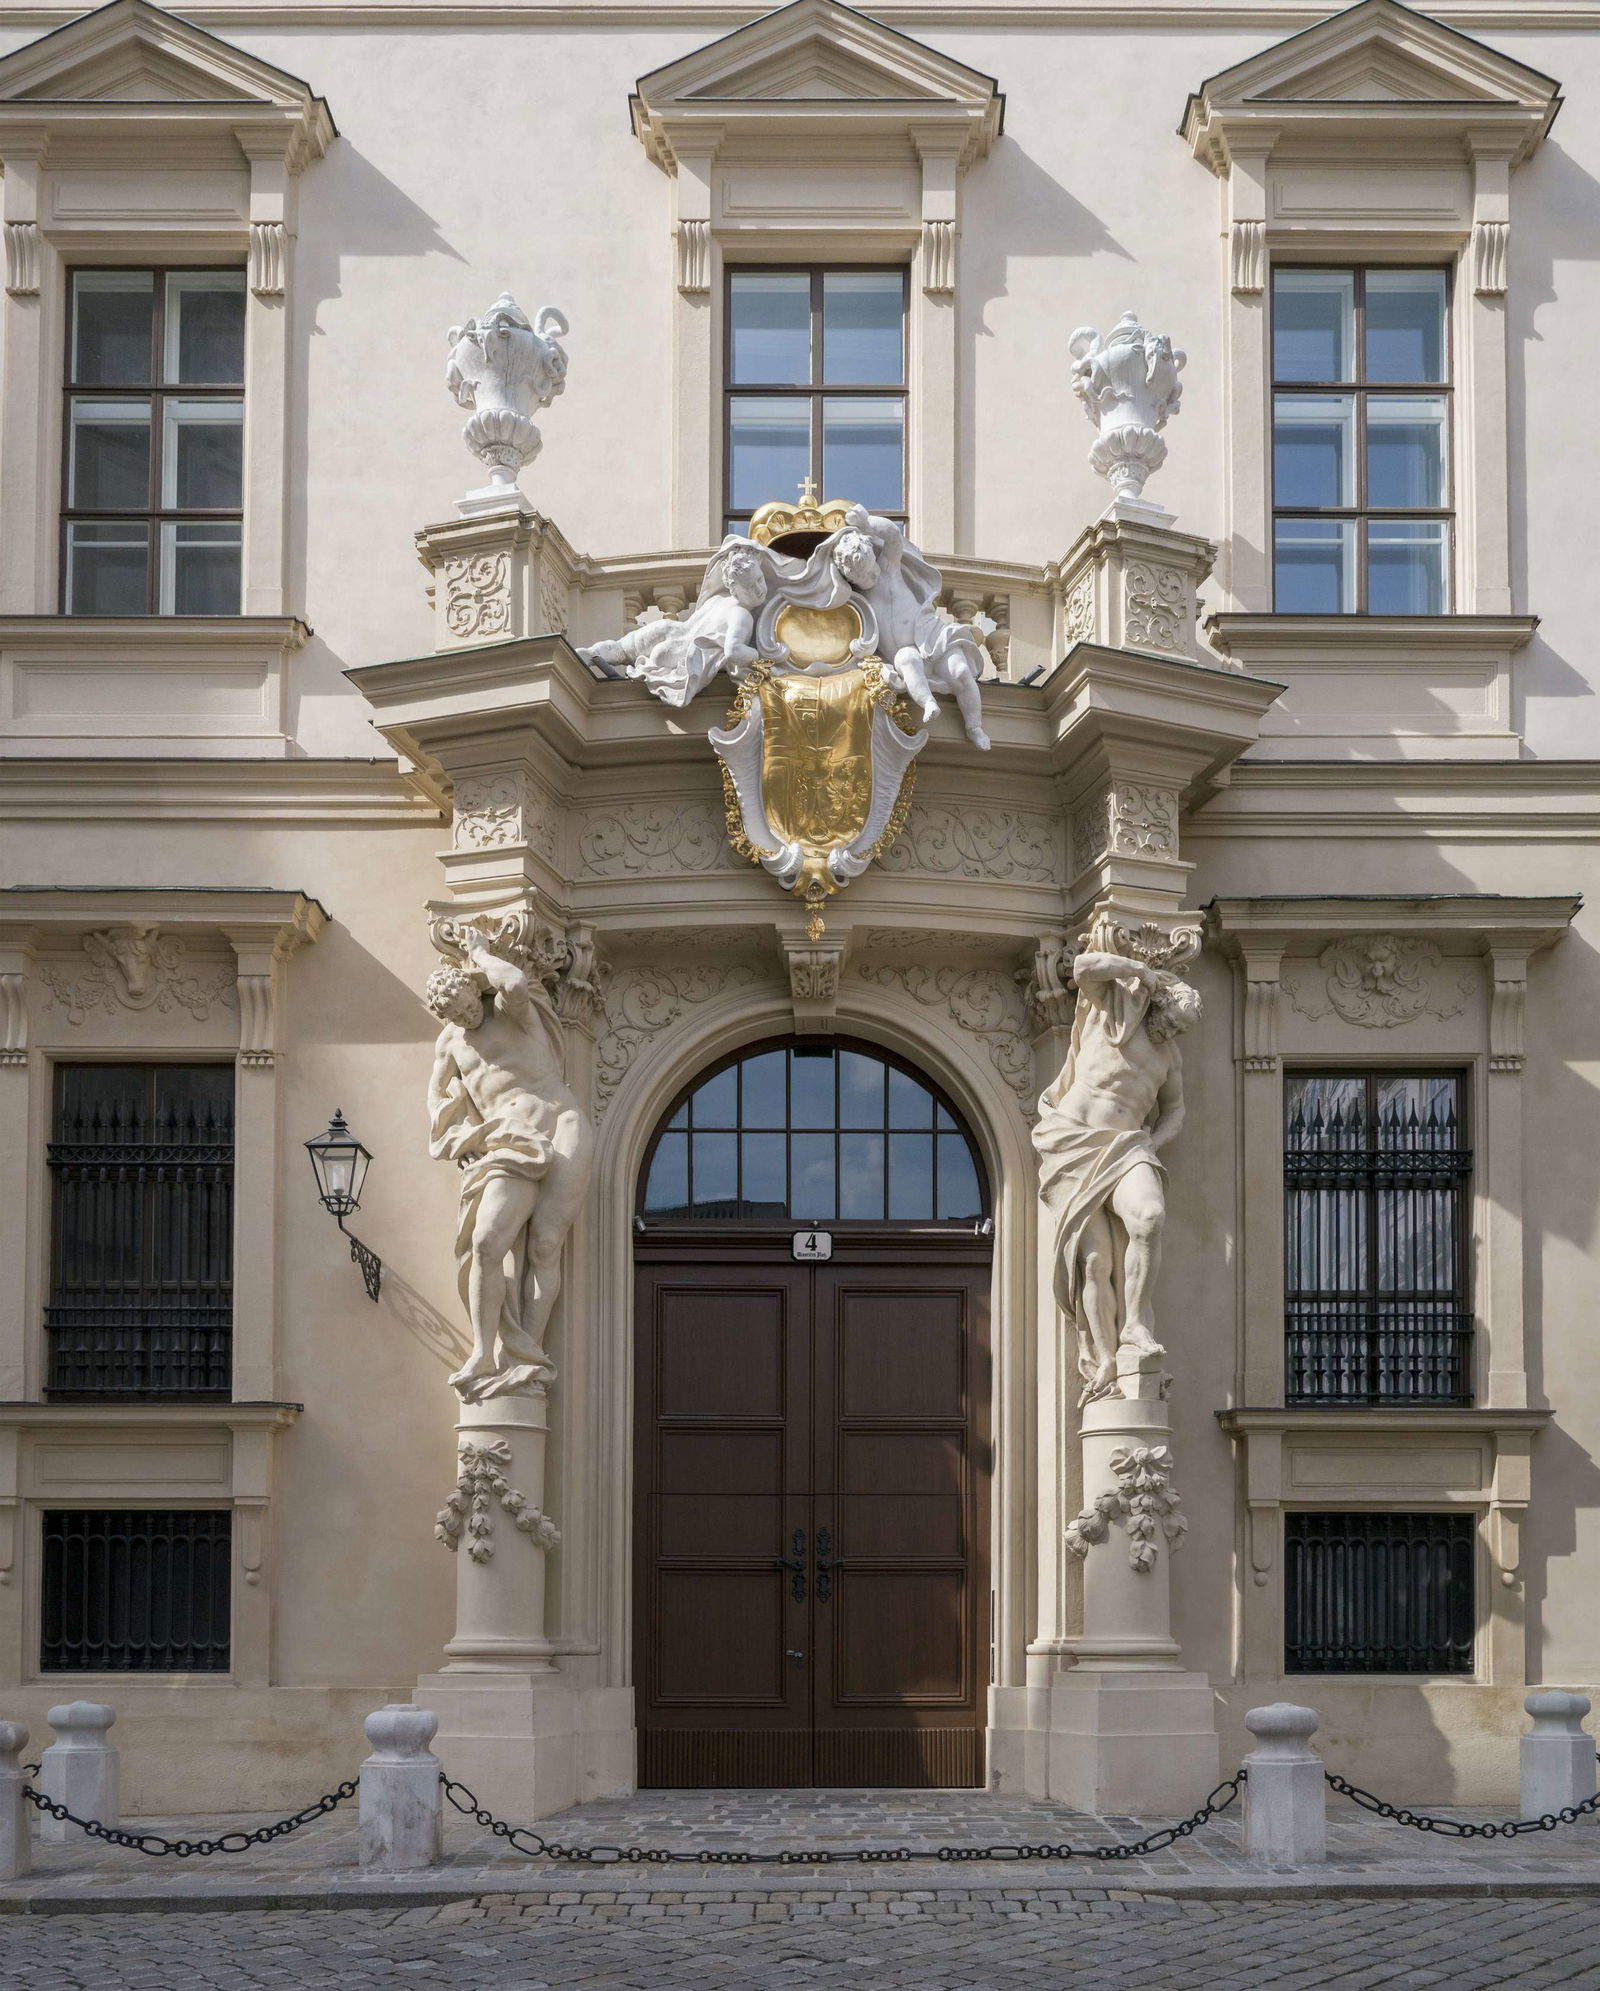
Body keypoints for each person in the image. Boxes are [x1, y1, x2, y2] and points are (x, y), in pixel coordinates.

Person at [425, 926, 593, 1402]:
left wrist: (479, 951)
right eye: (456, 1013)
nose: (467, 1013)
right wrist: (462, 1135)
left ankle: (527, 1356)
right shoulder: (451, 1045)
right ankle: (483, 1351)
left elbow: (516, 985)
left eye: (467, 1002)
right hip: (510, 1144)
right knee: (485, 1242)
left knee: (543, 1245)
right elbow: (437, 1106)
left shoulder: (509, 1011)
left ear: (473, 985)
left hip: (561, 1126)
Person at [1033, 939, 1200, 1404]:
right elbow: (1084, 966)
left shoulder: (1169, 1059)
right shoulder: (1115, 1013)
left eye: (1180, 1028)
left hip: (1127, 1148)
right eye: (1171, 1019)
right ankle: (1106, 1361)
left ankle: (1135, 1326)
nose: (1172, 1030)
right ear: (1159, 1004)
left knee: (1148, 1219)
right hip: (1072, 1145)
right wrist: (1138, 969)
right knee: (1095, 1263)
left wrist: (1151, 1142)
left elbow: (1176, 1111)